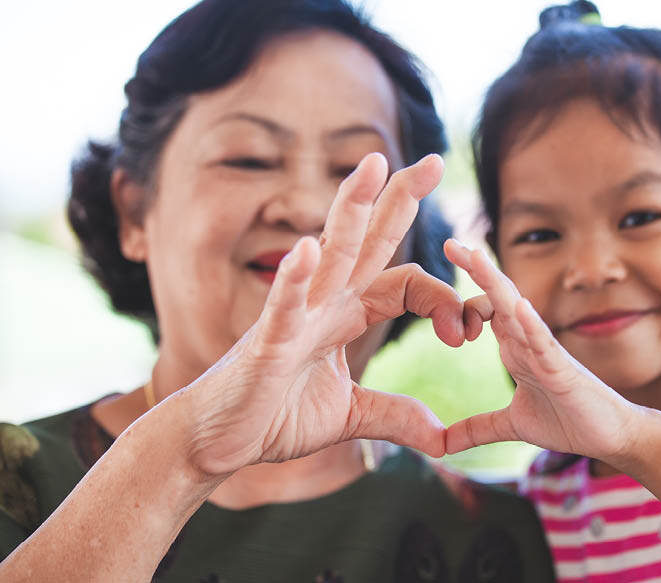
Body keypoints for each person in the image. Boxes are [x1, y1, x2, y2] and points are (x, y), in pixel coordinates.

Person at [0, 1, 556, 581]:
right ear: (135, 212)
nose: (309, 208)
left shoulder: (504, 538)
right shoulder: (16, 481)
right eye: (249, 158)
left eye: (354, 170)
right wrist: (182, 456)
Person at [443, 1, 661, 581]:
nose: (592, 269)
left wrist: (639, 439)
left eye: (639, 216)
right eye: (541, 233)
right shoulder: (549, 487)